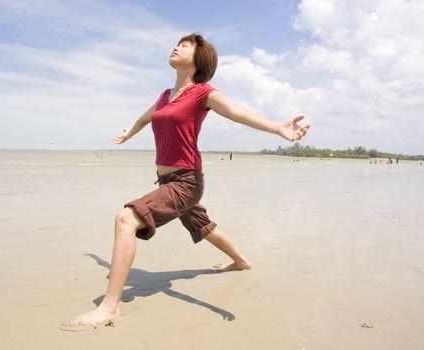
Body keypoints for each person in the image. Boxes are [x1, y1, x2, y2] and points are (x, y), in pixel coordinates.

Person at [63, 33, 310, 329]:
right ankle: (241, 261)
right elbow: (145, 119)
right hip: (167, 181)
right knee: (203, 227)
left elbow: (237, 113)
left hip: (187, 182)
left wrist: (278, 128)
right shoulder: (165, 96)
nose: (177, 46)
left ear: (199, 59)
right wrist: (128, 133)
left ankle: (110, 306)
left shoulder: (203, 93)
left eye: (186, 45)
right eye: (178, 42)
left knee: (126, 219)